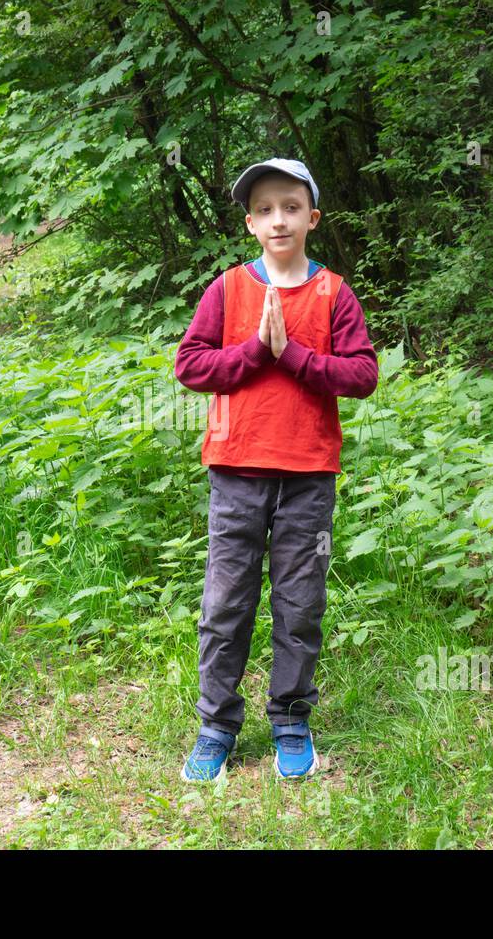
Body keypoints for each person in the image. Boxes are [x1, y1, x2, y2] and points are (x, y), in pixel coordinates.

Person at [173, 157, 379, 782]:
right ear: (250, 224)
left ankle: (290, 718)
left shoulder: (333, 293)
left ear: (311, 218)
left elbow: (363, 375)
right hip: (235, 472)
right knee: (226, 603)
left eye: (290, 207)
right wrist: (255, 351)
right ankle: (217, 724)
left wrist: (293, 356)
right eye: (264, 209)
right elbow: (191, 365)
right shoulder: (229, 290)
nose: (278, 219)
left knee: (299, 601)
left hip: (309, 475)